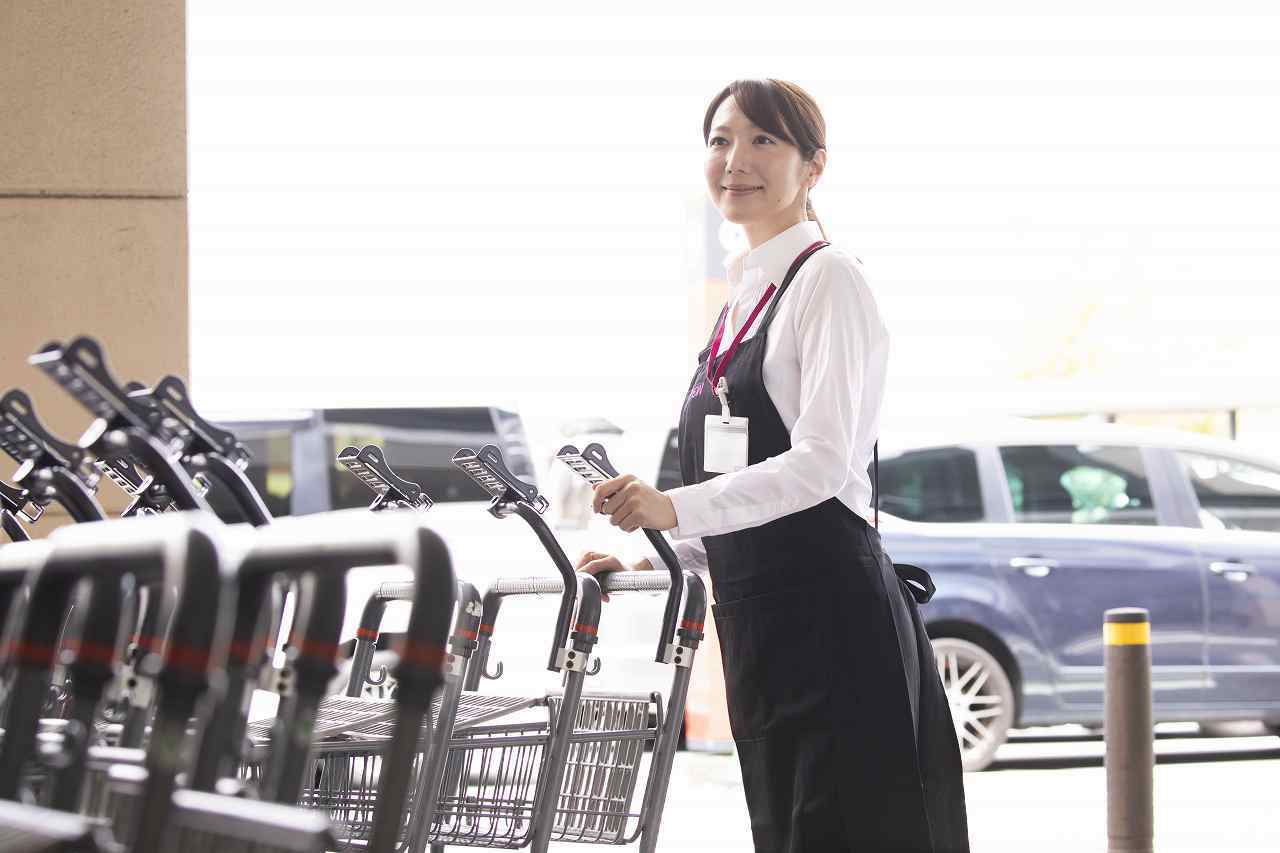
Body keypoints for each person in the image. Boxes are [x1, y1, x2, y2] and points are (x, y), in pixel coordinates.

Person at [575, 78, 970, 852]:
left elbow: (821, 463)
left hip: (835, 620)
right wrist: (649, 558)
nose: (736, 159)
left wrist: (672, 505)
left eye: (763, 140)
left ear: (813, 167)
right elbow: (732, 495)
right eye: (720, 140)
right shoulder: (738, 304)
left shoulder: (829, 278)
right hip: (761, 631)